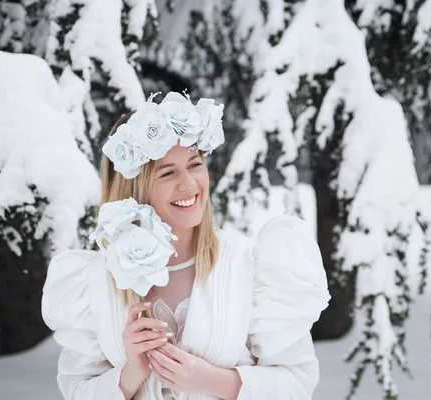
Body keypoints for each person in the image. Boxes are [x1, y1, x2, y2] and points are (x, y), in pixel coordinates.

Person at [41, 92, 331, 400]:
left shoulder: (249, 266)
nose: (189, 184)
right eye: (167, 173)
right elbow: (77, 390)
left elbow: (296, 384)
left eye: (194, 164)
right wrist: (129, 376)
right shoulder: (94, 282)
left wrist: (213, 380)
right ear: (133, 188)